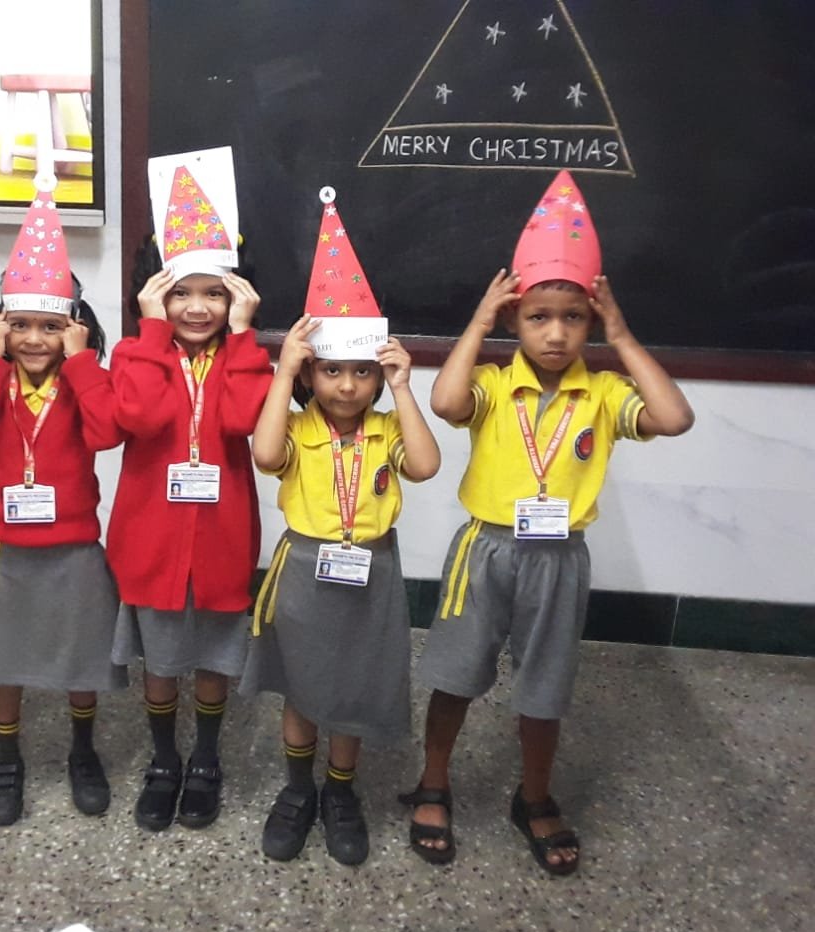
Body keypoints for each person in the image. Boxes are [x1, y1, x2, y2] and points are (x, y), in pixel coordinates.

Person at [401, 170, 695, 875]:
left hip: (560, 557)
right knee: (456, 672)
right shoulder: (496, 383)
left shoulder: (605, 393)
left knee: (546, 684)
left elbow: (674, 417)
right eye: (538, 317)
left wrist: (621, 334)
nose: (557, 333)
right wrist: (478, 323)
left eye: (574, 317)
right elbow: (445, 403)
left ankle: (534, 796)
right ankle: (434, 781)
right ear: (514, 321)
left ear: (592, 322)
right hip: (485, 550)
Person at [242, 188, 441, 865]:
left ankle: (340, 791)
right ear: (313, 373)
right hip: (306, 568)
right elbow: (265, 454)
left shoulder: (387, 428)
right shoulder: (298, 426)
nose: (349, 385)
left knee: (351, 688)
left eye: (362, 372)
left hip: (371, 569)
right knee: (303, 686)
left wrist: (405, 388)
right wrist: (283, 373)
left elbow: (426, 466)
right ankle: (298, 790)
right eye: (332, 371)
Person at [0, 180, 126, 826]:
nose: (32, 339)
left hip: (74, 546)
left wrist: (83, 363)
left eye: (50, 327)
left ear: (74, 331)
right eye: (18, 325)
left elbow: (108, 435)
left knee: (81, 652)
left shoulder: (83, 381)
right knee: (6, 653)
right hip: (7, 545)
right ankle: (7, 757)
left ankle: (82, 749)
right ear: (1, 328)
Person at [109, 150, 272, 831]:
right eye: (180, 292)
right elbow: (140, 419)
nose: (198, 307)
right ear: (155, 295)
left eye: (214, 292)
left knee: (212, 655)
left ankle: (205, 758)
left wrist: (244, 337)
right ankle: (163, 759)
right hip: (151, 537)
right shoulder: (135, 352)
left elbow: (238, 421)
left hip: (222, 536)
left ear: (237, 296)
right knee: (162, 657)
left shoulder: (247, 358)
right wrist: (149, 329)